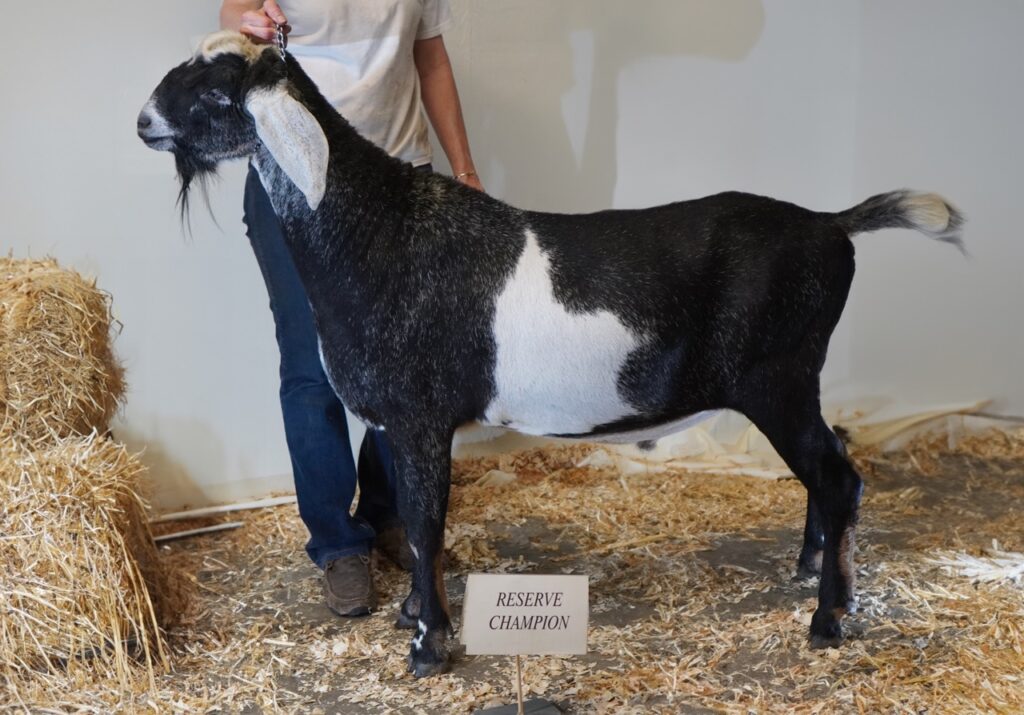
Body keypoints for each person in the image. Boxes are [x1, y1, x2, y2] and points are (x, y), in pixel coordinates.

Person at [219, 0, 482, 618]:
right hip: (294, 174)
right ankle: (338, 544)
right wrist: (247, 24)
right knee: (312, 366)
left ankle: (390, 515)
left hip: (398, 178)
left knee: (405, 363)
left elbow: (431, 59)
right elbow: (234, 9)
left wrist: (464, 170)